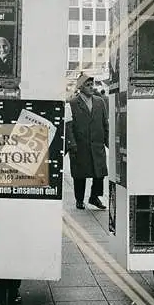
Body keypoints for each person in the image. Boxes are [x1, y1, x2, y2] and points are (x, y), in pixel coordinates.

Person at [66, 73, 109, 210]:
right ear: (80, 87)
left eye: (92, 85)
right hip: (80, 145)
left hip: (97, 144)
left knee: (100, 173)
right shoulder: (72, 103)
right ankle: (79, 200)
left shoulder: (100, 102)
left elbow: (105, 123)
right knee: (80, 175)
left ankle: (94, 197)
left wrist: (108, 142)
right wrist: (71, 143)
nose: (91, 87)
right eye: (88, 85)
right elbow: (69, 126)